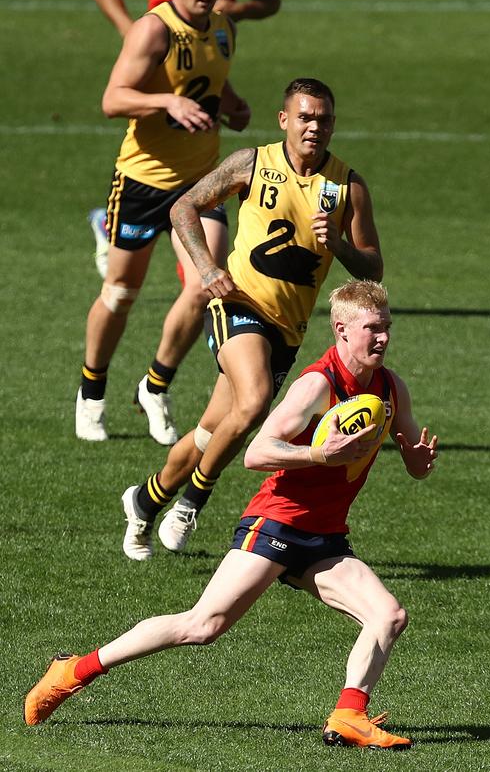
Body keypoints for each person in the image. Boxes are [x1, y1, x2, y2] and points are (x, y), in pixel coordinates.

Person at [24, 279, 439, 750]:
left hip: (324, 537)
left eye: (386, 328)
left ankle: (349, 715)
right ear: (341, 330)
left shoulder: (390, 387)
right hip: (277, 524)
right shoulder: (316, 385)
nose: (382, 338)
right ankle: (71, 671)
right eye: (372, 329)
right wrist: (319, 456)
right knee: (202, 626)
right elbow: (257, 452)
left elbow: (410, 455)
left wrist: (417, 463)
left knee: (388, 615)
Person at [119, 77, 384, 560]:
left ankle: (145, 498)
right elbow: (184, 208)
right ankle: (192, 503)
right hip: (237, 305)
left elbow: (374, 265)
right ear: (284, 119)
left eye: (323, 119)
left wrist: (339, 246)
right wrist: (206, 268)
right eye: (305, 117)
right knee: (256, 399)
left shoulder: (347, 185)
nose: (314, 128)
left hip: (287, 328)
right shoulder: (253, 163)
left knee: (211, 433)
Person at [76, 0, 251, 446]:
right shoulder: (153, 30)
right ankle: (91, 391)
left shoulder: (223, 29)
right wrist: (167, 103)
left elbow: (213, 82)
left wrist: (235, 107)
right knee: (121, 292)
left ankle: (155, 386)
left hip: (199, 185)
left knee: (205, 283)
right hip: (142, 182)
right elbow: (114, 98)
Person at [89, 0, 281, 281]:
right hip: (153, 63)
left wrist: (235, 10)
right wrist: (134, 34)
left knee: (198, 282)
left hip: (209, 53)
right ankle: (114, 224)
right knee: (122, 289)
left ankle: (190, 286)